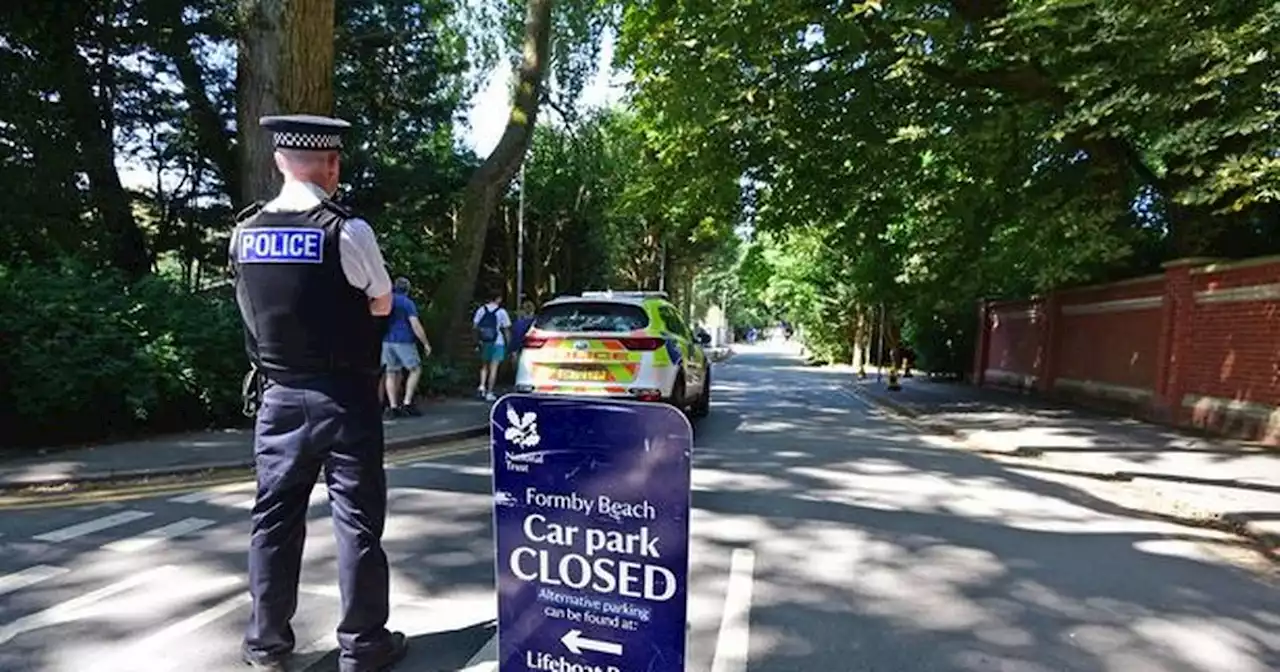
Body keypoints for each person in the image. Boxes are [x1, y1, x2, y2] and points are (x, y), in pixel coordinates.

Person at [228, 114, 408, 672]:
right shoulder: (346, 230)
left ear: (279, 161)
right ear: (331, 165)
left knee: (274, 522)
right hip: (344, 399)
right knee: (356, 521)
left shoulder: (245, 231)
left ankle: (267, 647)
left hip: (278, 398)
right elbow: (381, 301)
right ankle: (363, 647)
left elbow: (249, 308)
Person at [382, 277, 432, 417]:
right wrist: (425, 343)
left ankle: (392, 406)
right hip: (404, 340)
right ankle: (407, 402)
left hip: (387, 340)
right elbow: (415, 324)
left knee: (391, 372)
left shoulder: (387, 300)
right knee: (415, 369)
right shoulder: (407, 303)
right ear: (407, 289)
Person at [472, 290, 511, 401]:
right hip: (497, 342)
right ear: (498, 298)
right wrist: (510, 345)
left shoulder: (481, 310)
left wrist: (476, 341)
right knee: (494, 368)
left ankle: (482, 387)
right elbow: (506, 329)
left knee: (484, 366)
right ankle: (490, 392)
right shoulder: (502, 312)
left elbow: (474, 327)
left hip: (484, 341)